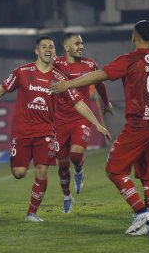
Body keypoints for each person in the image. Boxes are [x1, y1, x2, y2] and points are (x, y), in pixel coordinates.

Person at [49, 20, 149, 235]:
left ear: (133, 37)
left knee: (114, 170)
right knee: (148, 177)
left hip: (138, 124)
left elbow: (101, 75)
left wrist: (67, 84)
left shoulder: (129, 59)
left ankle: (141, 211)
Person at [0, 36, 110, 222]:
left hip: (47, 132)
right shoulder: (21, 72)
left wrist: (97, 124)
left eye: (51, 47)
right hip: (22, 132)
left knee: (42, 171)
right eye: (44, 47)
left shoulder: (59, 79)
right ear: (37, 51)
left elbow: (78, 103)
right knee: (19, 173)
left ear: (55, 52)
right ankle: (45, 198)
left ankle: (32, 213)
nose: (48, 49)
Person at [53, 33, 113, 213]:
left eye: (82, 43)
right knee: (62, 165)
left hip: (81, 117)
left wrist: (106, 101)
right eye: (77, 43)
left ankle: (79, 170)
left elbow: (100, 82)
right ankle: (66, 196)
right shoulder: (56, 65)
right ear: (66, 47)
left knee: (76, 155)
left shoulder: (89, 64)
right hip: (59, 120)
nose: (81, 46)